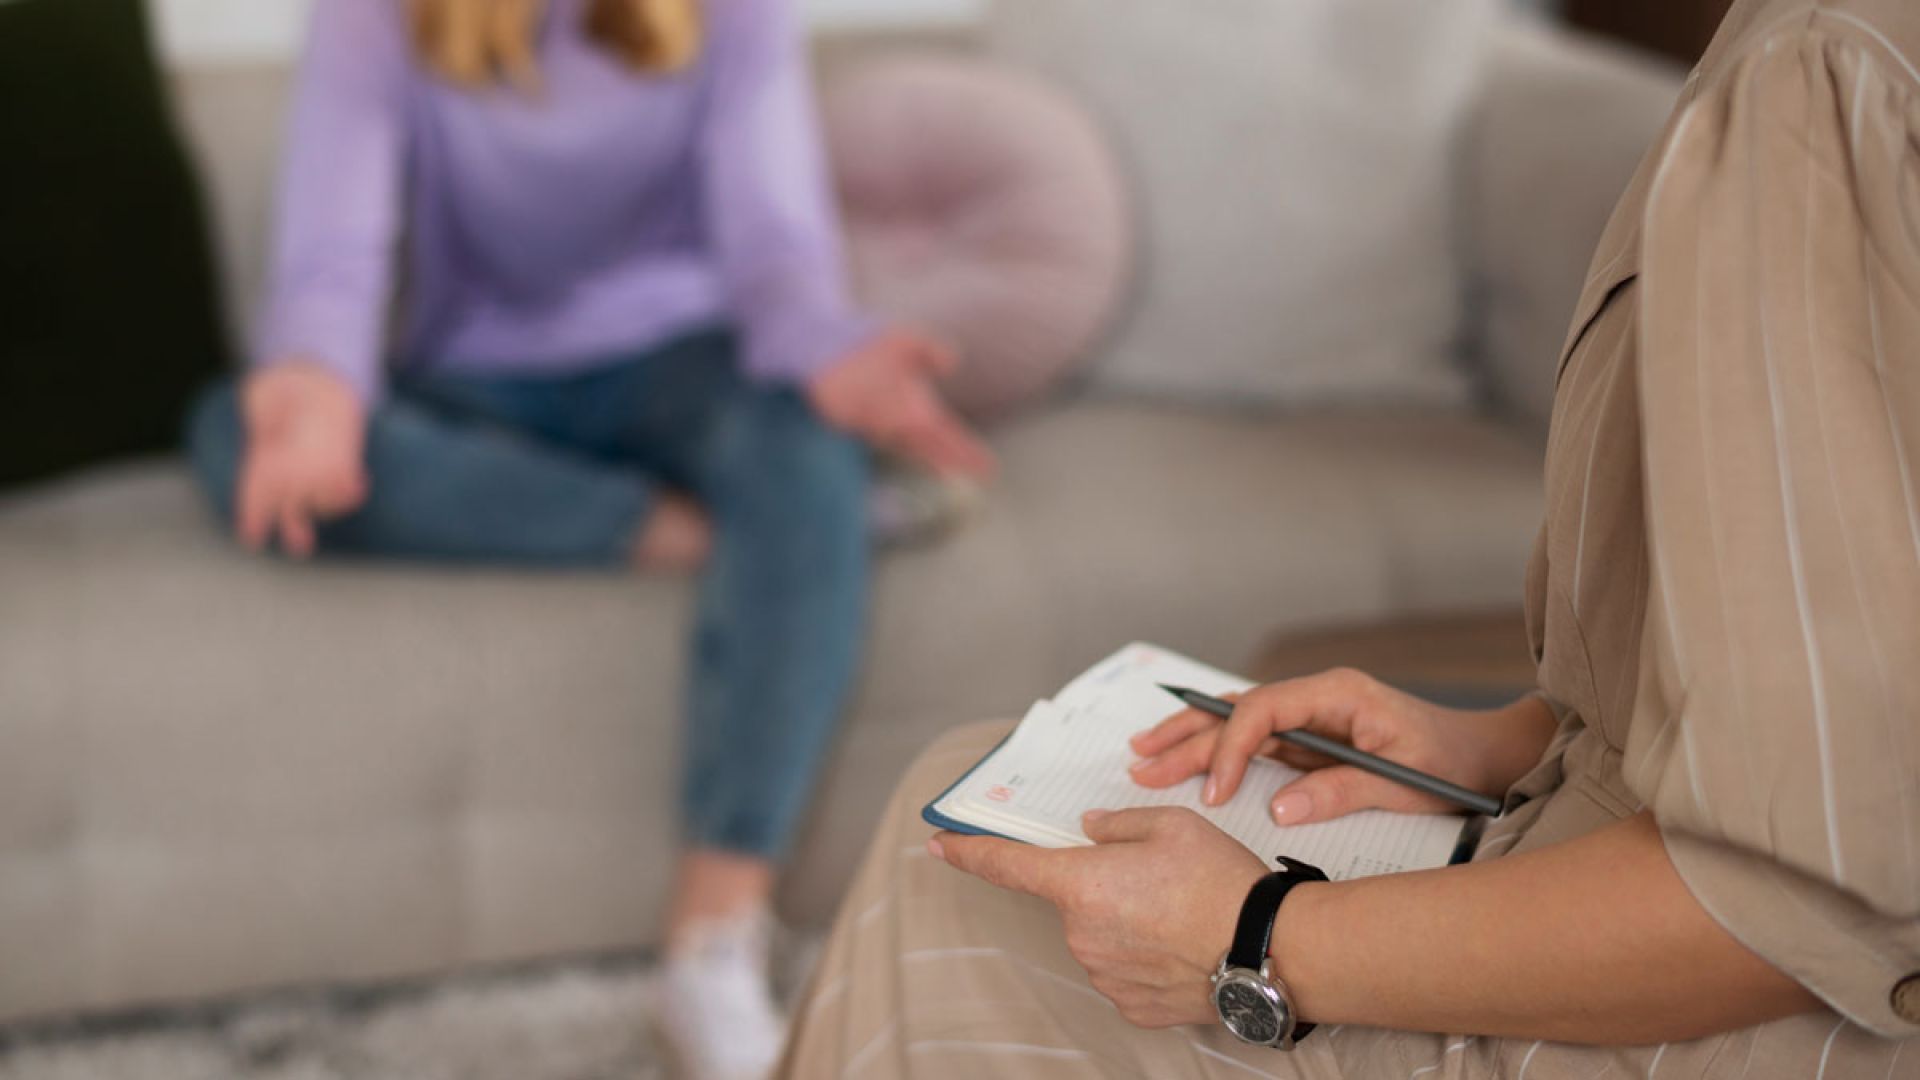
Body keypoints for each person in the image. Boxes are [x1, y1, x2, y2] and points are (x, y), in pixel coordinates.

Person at [774, 0, 1920, 1075]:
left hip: (1734, 1037)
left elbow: (1795, 900)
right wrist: (1500, 750)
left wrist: (1257, 935)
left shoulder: (1817, 81)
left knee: (958, 875)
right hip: (1646, 888)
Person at [183, 1, 992, 1077]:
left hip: (679, 358)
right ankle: (719, 532)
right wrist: (316, 384)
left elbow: (773, 251)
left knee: (796, 436)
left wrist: (827, 350)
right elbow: (333, 254)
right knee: (228, 433)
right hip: (477, 379)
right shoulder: (370, 17)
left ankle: (709, 944)